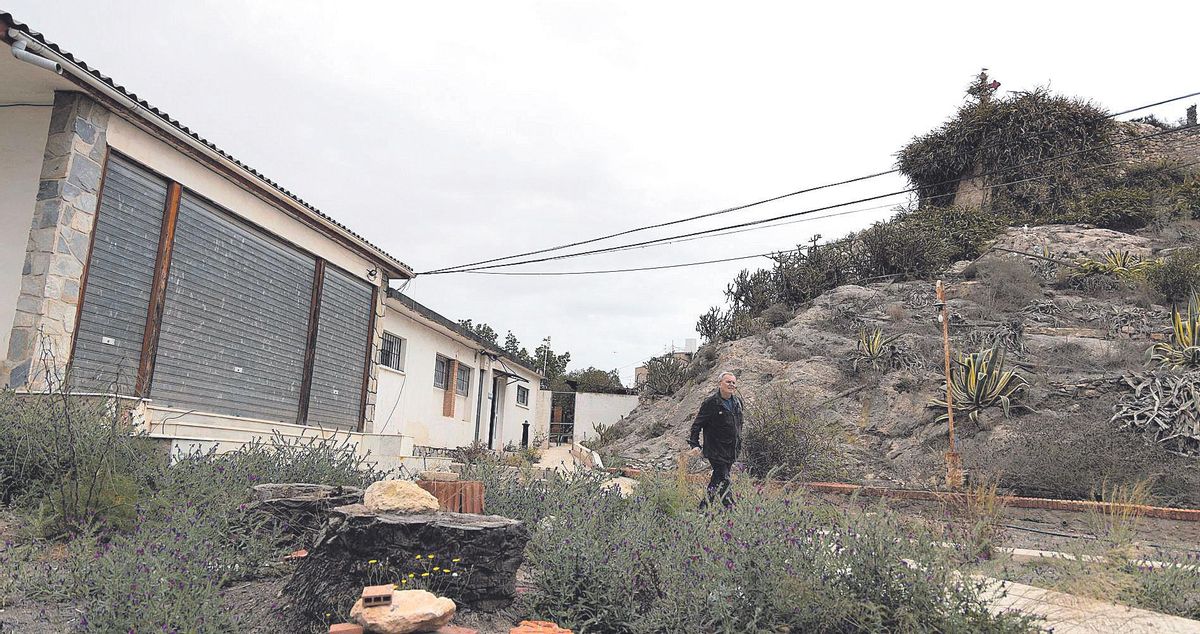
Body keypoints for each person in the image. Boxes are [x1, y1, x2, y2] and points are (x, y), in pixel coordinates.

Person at [687, 372, 743, 508]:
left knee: (717, 480)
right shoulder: (711, 403)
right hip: (715, 450)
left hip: (732, 450)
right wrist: (695, 444)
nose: (731, 385)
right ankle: (731, 509)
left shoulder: (737, 402)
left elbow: (739, 424)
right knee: (724, 480)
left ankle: (704, 508)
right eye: (728, 382)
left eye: (733, 382)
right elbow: (697, 425)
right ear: (720, 384)